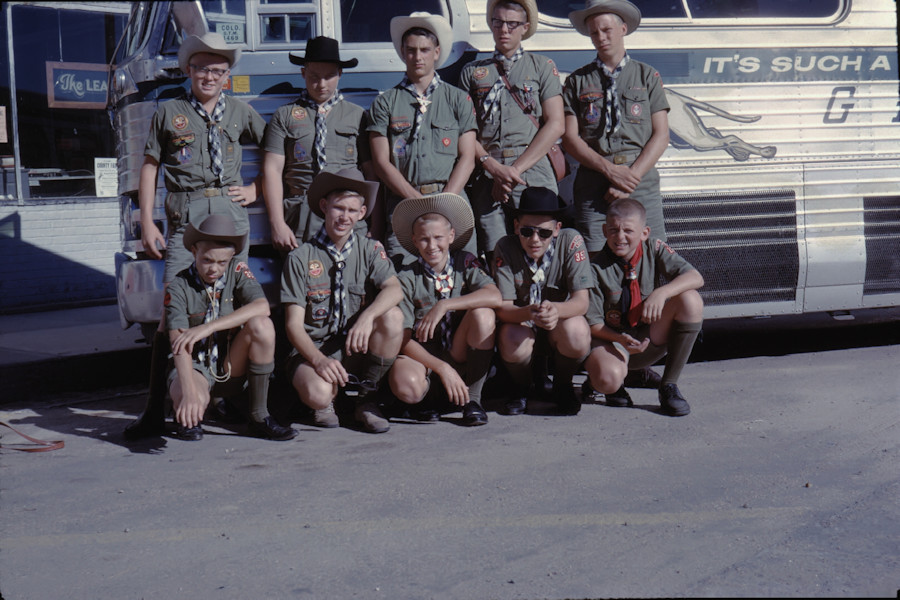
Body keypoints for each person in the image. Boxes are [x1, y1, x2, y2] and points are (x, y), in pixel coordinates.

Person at [125, 32, 267, 440]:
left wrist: (257, 189)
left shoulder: (240, 111)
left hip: (229, 218)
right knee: (172, 310)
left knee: (231, 304)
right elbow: (150, 165)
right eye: (202, 68)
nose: (210, 76)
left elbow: (279, 147)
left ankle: (226, 398)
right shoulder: (170, 112)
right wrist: (147, 221)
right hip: (186, 216)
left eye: (218, 71)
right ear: (189, 70)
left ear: (227, 76)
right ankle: (159, 407)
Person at [280, 168, 404, 433]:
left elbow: (394, 290)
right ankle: (326, 401)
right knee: (318, 393)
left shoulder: (369, 250)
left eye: (352, 210)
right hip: (313, 349)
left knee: (393, 316)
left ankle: (366, 401)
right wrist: (318, 360)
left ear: (362, 214)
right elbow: (293, 326)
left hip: (353, 346)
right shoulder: (300, 257)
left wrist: (367, 317)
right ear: (324, 206)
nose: (344, 217)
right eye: (338, 208)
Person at [163, 214, 297, 441]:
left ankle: (259, 416)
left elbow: (262, 306)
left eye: (222, 262)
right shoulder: (178, 286)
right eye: (207, 260)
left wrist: (207, 328)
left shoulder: (237, 271)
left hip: (229, 364)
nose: (214, 269)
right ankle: (190, 411)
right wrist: (188, 393)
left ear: (232, 257)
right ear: (194, 251)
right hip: (194, 366)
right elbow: (179, 346)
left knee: (262, 326)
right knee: (195, 398)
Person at [459, 0, 565, 265]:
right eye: (497, 22)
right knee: (497, 252)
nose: (503, 29)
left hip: (532, 167)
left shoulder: (541, 67)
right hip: (487, 169)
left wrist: (512, 172)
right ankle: (504, 303)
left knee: (539, 243)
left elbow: (555, 124)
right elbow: (465, 130)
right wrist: (494, 168)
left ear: (525, 27)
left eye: (511, 23)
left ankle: (542, 305)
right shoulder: (472, 72)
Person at [368, 11, 478, 265]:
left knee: (461, 273)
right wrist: (416, 203)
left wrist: (444, 203)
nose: (418, 57)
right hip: (404, 205)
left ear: (437, 52)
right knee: (402, 275)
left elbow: (468, 157)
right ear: (402, 52)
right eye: (411, 50)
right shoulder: (385, 103)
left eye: (425, 50)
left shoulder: (458, 99)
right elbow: (382, 163)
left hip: (451, 200)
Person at [561, 0, 670, 251]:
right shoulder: (577, 81)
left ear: (623, 28)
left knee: (651, 254)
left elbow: (661, 135)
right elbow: (569, 137)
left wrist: (630, 178)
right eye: (594, 32)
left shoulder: (647, 76)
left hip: (639, 182)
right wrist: (610, 171)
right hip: (594, 182)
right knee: (595, 256)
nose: (600, 37)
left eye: (606, 30)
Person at [387, 193, 502, 427]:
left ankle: (473, 400)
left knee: (483, 314)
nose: (432, 246)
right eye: (424, 239)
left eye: (438, 237)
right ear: (414, 240)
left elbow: (494, 296)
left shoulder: (465, 262)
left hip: (457, 349)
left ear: (451, 236)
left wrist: (445, 304)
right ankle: (428, 400)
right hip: (424, 357)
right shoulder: (407, 276)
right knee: (406, 385)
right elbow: (403, 339)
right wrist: (440, 367)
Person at [584, 198, 703, 416]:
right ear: (604, 230)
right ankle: (602, 383)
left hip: (647, 338)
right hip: (614, 342)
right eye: (613, 230)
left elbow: (695, 277)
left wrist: (663, 292)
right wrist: (620, 340)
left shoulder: (654, 249)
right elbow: (592, 324)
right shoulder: (594, 267)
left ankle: (669, 386)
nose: (620, 237)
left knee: (690, 299)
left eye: (628, 230)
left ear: (645, 232)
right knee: (607, 379)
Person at [262, 36, 374, 251]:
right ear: (303, 73)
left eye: (329, 76)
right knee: (304, 279)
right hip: (301, 217)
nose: (321, 84)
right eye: (314, 76)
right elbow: (272, 170)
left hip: (346, 215)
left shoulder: (357, 116)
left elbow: (370, 173)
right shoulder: (285, 115)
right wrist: (277, 224)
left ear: (340, 74)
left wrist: (374, 224)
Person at [492, 186, 593, 416]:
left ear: (557, 229)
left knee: (577, 331)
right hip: (525, 325)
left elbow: (581, 302)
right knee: (509, 336)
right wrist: (530, 312)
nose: (535, 240)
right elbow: (504, 308)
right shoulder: (505, 247)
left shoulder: (571, 241)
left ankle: (563, 385)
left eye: (544, 233)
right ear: (516, 226)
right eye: (527, 231)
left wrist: (555, 310)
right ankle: (522, 387)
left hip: (557, 328)